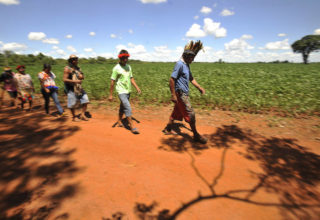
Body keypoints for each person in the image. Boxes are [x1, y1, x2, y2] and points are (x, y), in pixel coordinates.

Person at [163, 43, 207, 144]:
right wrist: (173, 95)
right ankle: (196, 135)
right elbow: (171, 79)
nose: (193, 60)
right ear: (186, 57)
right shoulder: (179, 64)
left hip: (184, 93)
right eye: (192, 58)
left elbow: (191, 78)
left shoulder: (186, 65)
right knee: (191, 114)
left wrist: (199, 87)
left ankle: (168, 128)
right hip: (181, 94)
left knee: (176, 111)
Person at [108, 50, 141, 134]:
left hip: (128, 90)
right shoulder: (116, 68)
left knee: (122, 106)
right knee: (127, 107)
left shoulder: (129, 67)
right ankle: (132, 126)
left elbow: (131, 78)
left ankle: (119, 121)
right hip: (121, 91)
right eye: (124, 58)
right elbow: (112, 82)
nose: (125, 59)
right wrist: (110, 95)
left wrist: (137, 87)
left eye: (126, 58)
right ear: (120, 58)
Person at [63, 54, 90, 121]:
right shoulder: (67, 69)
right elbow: (64, 79)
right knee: (72, 104)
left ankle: (82, 115)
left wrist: (82, 77)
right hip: (71, 89)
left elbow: (82, 76)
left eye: (76, 59)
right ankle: (74, 117)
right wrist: (75, 81)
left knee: (86, 100)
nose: (75, 60)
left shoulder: (78, 68)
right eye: (73, 59)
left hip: (78, 88)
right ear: (71, 61)